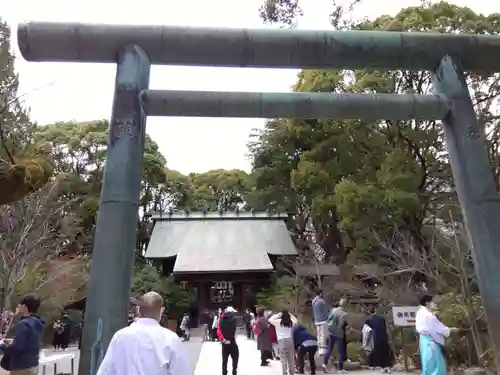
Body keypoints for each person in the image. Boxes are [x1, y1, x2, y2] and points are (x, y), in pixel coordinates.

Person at [96, 291, 191, 375]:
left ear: (138, 309)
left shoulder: (120, 336)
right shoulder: (171, 339)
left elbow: (106, 370)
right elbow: (181, 371)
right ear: (161, 310)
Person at [0, 294, 45, 375]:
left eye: (20, 304)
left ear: (24, 307)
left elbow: (17, 347)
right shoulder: (37, 322)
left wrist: (2, 345)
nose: (18, 306)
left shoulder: (24, 324)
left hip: (21, 368)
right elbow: (29, 341)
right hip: (33, 366)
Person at [416, 295, 458, 375]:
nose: (435, 304)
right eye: (433, 302)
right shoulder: (428, 315)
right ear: (427, 303)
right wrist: (451, 329)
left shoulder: (420, 312)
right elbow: (439, 329)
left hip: (424, 341)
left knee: (428, 364)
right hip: (430, 342)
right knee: (436, 364)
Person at [268, 310, 298, 375]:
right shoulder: (290, 322)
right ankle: (292, 373)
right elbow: (296, 321)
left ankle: (284, 373)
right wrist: (291, 315)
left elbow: (270, 319)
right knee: (291, 359)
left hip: (281, 341)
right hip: (290, 341)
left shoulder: (278, 322)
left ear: (281, 315)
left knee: (283, 360)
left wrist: (279, 314)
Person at [324, 298, 349, 373]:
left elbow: (328, 320)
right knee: (341, 352)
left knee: (329, 349)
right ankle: (340, 369)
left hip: (331, 332)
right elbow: (340, 326)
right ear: (345, 305)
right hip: (338, 334)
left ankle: (324, 363)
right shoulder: (344, 314)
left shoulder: (333, 310)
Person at [364, 307, 393, 373]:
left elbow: (366, 331)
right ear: (375, 311)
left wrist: (366, 342)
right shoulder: (382, 319)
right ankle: (387, 367)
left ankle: (382, 367)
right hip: (384, 337)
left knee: (379, 352)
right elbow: (387, 328)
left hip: (376, 338)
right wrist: (389, 337)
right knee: (385, 352)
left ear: (369, 312)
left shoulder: (368, 320)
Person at [217, 306, 239, 375]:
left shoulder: (221, 319)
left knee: (224, 360)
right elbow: (232, 330)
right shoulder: (234, 319)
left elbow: (218, 330)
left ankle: (224, 373)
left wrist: (223, 339)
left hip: (224, 342)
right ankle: (234, 372)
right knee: (235, 357)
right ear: (232, 312)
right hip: (232, 341)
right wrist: (229, 339)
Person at [312, 290, 329, 357]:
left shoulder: (313, 301)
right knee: (323, 335)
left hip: (317, 320)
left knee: (318, 335)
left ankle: (319, 348)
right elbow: (325, 311)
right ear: (320, 293)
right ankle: (323, 350)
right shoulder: (321, 301)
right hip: (323, 320)